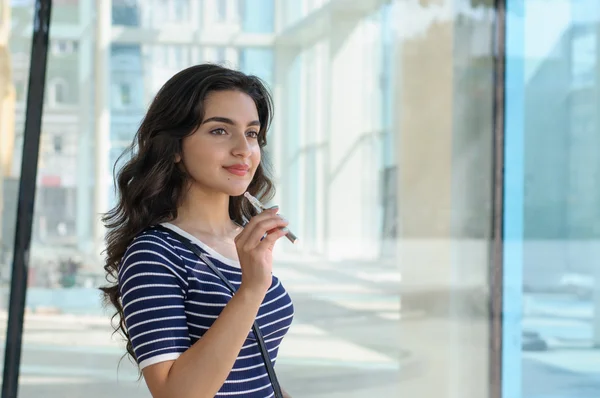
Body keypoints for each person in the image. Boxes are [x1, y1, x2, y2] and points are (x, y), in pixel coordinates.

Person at [101, 64, 295, 398]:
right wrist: (251, 289)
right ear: (175, 147)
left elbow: (256, 371)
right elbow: (175, 394)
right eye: (220, 130)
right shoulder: (153, 255)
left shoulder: (244, 240)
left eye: (251, 133)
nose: (243, 149)